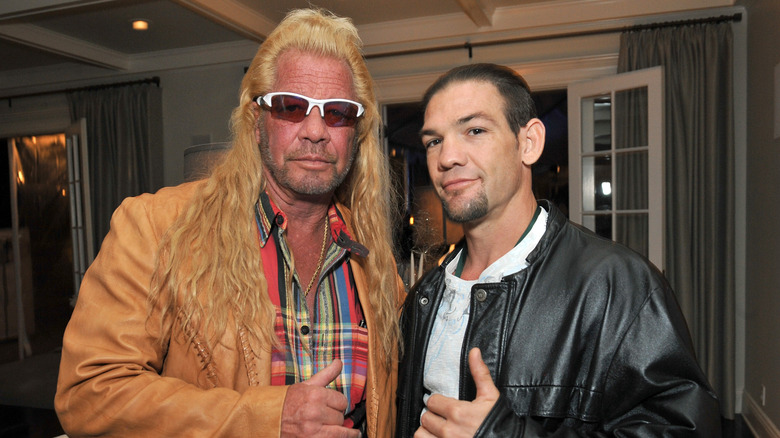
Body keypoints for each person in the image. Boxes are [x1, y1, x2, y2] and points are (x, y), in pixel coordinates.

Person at [55, 8, 403, 437]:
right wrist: (265, 418)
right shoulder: (156, 229)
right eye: (292, 107)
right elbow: (90, 394)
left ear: (356, 131)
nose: (315, 130)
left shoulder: (373, 262)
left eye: (336, 112)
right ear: (257, 121)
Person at [395, 63, 721, 437]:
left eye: (475, 130)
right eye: (434, 140)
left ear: (529, 143)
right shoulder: (426, 295)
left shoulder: (617, 285)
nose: (447, 157)